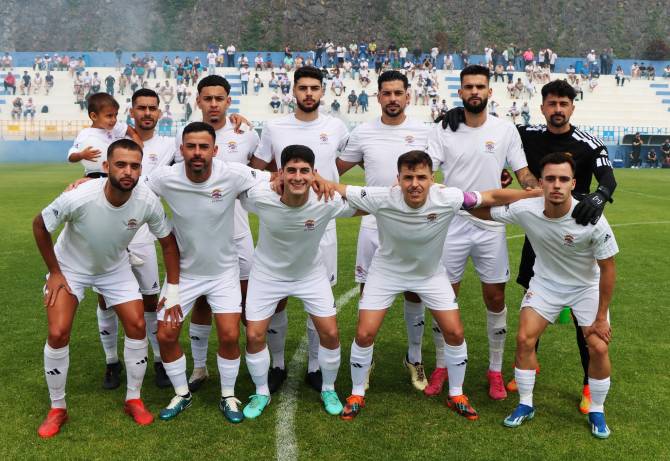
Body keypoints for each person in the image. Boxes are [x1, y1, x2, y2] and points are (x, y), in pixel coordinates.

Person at [330, 150, 540, 420]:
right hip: (385, 273)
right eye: (408, 177)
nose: (414, 184)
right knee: (364, 334)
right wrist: (315, 180)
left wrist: (532, 194)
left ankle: (456, 394)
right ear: (398, 179)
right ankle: (357, 393)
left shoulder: (448, 197)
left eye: (421, 177)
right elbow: (339, 189)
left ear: (432, 178)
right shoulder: (381, 196)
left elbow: (492, 196)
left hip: (430, 275)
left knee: (455, 332)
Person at [32, 139, 180, 438]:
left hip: (114, 269)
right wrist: (56, 272)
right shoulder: (80, 196)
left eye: (135, 166)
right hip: (70, 268)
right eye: (120, 164)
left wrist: (173, 289)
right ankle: (57, 407)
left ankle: (133, 399)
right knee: (58, 332)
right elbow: (40, 225)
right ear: (106, 166)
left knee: (138, 325)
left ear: (141, 169)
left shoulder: (147, 201)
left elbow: (168, 243)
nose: (128, 171)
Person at [469, 152, 618, 439]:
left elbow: (608, 269)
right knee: (525, 338)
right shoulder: (527, 208)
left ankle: (597, 409)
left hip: (585, 286)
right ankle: (525, 404)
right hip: (546, 284)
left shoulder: (592, 219)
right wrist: (459, 203)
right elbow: (487, 211)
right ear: (540, 183)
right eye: (550, 179)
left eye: (563, 179)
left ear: (573, 183)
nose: (556, 185)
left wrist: (601, 317)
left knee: (598, 346)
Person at [146, 122, 269, 422]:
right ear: (181, 150)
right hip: (184, 275)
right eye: (191, 146)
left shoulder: (233, 173)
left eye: (204, 147)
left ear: (215, 150)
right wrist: (88, 183)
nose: (197, 152)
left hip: (223, 273)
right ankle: (182, 394)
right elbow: (132, 188)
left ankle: (228, 396)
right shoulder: (165, 177)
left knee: (229, 335)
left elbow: (272, 180)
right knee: (165, 335)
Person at [428, 65, 538, 401]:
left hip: (490, 225)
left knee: (495, 298)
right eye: (468, 86)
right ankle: (441, 365)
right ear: (460, 92)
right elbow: (428, 172)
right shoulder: (443, 129)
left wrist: (536, 188)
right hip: (451, 224)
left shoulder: (504, 130)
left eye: (480, 86)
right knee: (444, 297)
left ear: (490, 92)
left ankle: (494, 369)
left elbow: (523, 172)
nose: (474, 91)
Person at [337, 70, 441, 393]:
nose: (393, 98)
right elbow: (335, 168)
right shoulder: (363, 132)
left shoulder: (425, 132)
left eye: (398, 93)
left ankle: (414, 358)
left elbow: (437, 171)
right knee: (368, 292)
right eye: (387, 93)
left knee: (415, 291)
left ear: (408, 96)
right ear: (378, 96)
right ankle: (365, 362)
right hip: (373, 223)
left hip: (413, 224)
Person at [240, 145, 361, 419]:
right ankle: (261, 392)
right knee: (254, 335)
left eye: (304, 171)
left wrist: (336, 186)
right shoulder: (261, 196)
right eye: (291, 170)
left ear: (314, 173)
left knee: (330, 333)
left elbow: (365, 206)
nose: (298, 177)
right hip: (267, 275)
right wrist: (265, 180)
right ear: (281, 173)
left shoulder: (326, 200)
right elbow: (234, 186)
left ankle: (328, 388)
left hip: (310, 275)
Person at [250, 66, 349, 393]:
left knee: (318, 302)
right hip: (283, 222)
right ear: (293, 91)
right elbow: (257, 167)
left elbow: (346, 163)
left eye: (314, 88)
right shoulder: (275, 127)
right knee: (276, 301)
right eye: (303, 88)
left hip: (321, 222)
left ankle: (315, 366)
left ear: (322, 92)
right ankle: (277, 364)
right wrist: (275, 179)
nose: (308, 93)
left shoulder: (336, 127)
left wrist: (325, 183)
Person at [172, 76, 259, 393]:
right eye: (207, 98)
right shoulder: (184, 135)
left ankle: (255, 365)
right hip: (197, 237)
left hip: (238, 232)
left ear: (228, 101)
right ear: (198, 101)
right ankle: (199, 367)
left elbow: (260, 175)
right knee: (201, 301)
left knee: (247, 302)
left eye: (219, 98)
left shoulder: (245, 134)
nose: (213, 104)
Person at [68, 93, 142, 178]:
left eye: (116, 115)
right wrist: (81, 155)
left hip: (113, 174)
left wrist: (135, 137)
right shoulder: (85, 134)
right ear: (94, 116)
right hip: (94, 174)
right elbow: (71, 157)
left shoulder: (115, 127)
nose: (114, 120)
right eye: (109, 116)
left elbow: (127, 129)